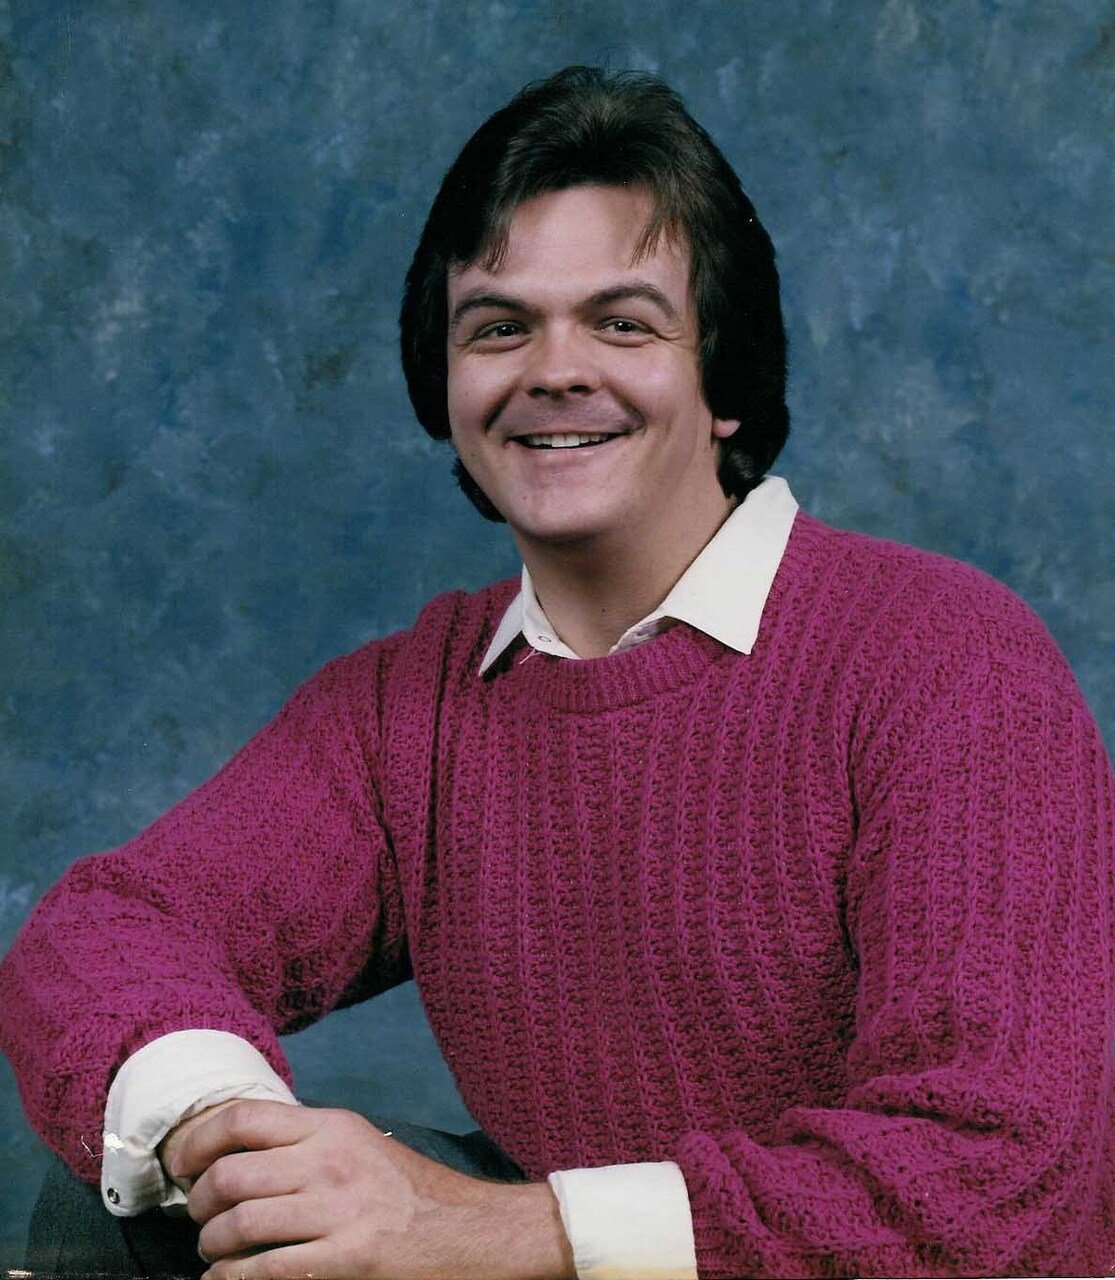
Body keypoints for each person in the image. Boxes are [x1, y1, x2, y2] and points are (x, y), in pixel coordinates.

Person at [2, 64, 1112, 1280]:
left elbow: (994, 1169)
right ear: (449, 382)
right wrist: (230, 1136)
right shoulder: (408, 709)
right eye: (499, 326)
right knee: (128, 1207)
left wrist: (510, 1228)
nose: (553, 371)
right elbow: (107, 928)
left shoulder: (942, 658)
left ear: (724, 378)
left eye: (622, 322)